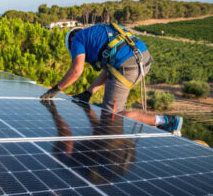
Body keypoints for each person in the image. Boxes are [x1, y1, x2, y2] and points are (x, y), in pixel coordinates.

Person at [41, 23, 183, 135]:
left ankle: (165, 121)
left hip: (128, 65)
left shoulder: (77, 39)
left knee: (112, 115)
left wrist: (54, 90)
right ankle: (104, 117)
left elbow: (77, 70)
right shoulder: (97, 34)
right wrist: (89, 92)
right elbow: (109, 70)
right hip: (142, 59)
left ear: (71, 40)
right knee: (106, 108)